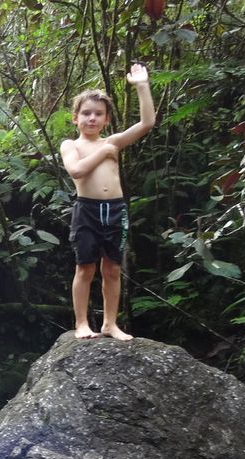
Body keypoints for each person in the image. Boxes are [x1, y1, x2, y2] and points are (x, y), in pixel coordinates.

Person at [60, 63, 156, 341]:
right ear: (75, 118)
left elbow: (147, 123)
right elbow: (77, 171)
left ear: (106, 119)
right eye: (86, 113)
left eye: (98, 114)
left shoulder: (112, 140)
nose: (92, 118)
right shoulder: (72, 145)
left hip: (115, 210)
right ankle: (81, 323)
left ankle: (110, 324)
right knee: (85, 267)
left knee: (112, 268)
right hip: (86, 210)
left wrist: (142, 86)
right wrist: (105, 152)